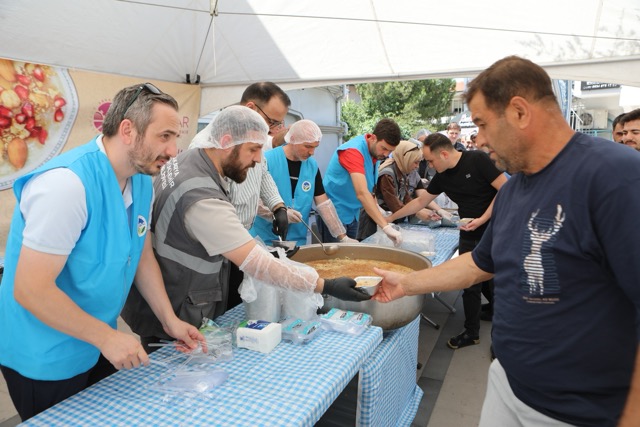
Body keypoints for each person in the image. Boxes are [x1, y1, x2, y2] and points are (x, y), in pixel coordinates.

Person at [373, 56, 640, 426]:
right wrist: (406, 283)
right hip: (506, 383)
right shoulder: (515, 189)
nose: (479, 139)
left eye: (482, 123)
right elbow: (479, 263)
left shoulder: (616, 175)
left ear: (519, 112)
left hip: (579, 411)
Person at [0, 83, 204, 421]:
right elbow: (30, 289)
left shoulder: (141, 180)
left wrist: (170, 321)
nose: (173, 150)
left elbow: (141, 254)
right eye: (164, 136)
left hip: (96, 340)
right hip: (45, 353)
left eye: (175, 138)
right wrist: (106, 337)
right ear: (128, 130)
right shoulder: (66, 186)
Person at [121, 106, 370, 352]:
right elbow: (259, 265)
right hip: (175, 307)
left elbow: (263, 179)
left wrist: (277, 205)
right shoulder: (202, 198)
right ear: (226, 142)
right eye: (253, 149)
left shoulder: (192, 158)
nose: (259, 159)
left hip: (169, 298)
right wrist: (326, 285)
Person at [388, 132, 507, 346]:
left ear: (443, 154)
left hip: (494, 226)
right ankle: (473, 331)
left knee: (492, 277)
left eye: (430, 161)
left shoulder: (477, 160)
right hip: (468, 229)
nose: (429, 166)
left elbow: (505, 189)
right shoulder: (443, 176)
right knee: (470, 282)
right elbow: (420, 201)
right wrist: (388, 219)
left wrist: (483, 218)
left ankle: (491, 329)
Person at [250, 119, 358, 246]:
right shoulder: (266, 160)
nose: (312, 152)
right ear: (293, 139)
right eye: (307, 146)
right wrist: (278, 213)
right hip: (264, 240)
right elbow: (253, 201)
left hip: (297, 241)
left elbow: (324, 204)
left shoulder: (311, 166)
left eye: (315, 147)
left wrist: (342, 236)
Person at [318, 118, 403, 245]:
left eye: (390, 151)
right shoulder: (353, 151)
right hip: (335, 214)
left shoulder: (375, 153)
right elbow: (362, 193)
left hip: (353, 214)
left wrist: (378, 210)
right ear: (373, 138)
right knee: (338, 255)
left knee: (352, 253)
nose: (386, 154)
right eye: (384, 148)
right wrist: (385, 227)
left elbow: (369, 188)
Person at [365, 139, 442, 238]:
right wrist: (418, 212)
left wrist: (421, 209)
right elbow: (395, 205)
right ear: (406, 159)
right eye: (415, 162)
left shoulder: (402, 171)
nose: (417, 166)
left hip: (391, 221)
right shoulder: (387, 175)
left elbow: (406, 198)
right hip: (377, 223)